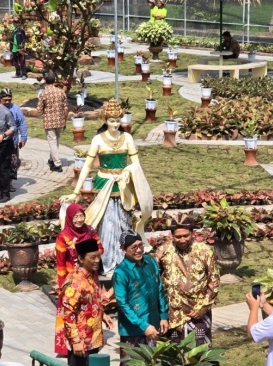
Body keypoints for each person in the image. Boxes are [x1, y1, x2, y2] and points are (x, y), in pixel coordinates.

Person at [61, 99, 153, 275]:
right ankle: (109, 263)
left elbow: (136, 166)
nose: (115, 124)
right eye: (112, 120)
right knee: (107, 225)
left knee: (124, 223)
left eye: (118, 120)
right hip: (104, 186)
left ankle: (125, 262)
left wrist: (132, 179)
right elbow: (87, 166)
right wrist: (75, 191)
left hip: (123, 187)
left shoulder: (127, 138)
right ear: (105, 120)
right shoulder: (98, 139)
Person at [156, 212, 220, 345]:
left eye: (186, 235)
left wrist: (203, 307)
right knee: (172, 356)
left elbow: (214, 281)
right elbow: (155, 279)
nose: (182, 240)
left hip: (196, 312)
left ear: (193, 233)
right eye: (178, 237)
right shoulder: (163, 251)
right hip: (172, 314)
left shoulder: (204, 251)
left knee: (198, 356)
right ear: (172, 235)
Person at [54, 203, 105, 356]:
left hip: (90, 274)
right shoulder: (63, 236)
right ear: (69, 218)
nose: (79, 219)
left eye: (81, 216)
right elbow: (60, 262)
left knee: (93, 304)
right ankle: (75, 343)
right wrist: (62, 283)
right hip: (74, 277)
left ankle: (93, 341)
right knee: (71, 311)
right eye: (75, 216)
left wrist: (91, 255)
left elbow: (100, 248)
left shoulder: (89, 230)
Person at [114, 229, 169, 366]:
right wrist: (144, 326)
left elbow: (160, 288)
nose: (139, 250)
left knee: (154, 362)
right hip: (132, 329)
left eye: (140, 245)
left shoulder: (150, 261)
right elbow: (123, 304)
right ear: (123, 249)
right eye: (134, 247)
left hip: (154, 324)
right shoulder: (121, 272)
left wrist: (163, 315)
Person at [55, 238, 114, 366]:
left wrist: (102, 315)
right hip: (81, 343)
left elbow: (90, 301)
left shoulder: (93, 275)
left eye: (98, 256)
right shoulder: (74, 282)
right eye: (93, 257)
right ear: (81, 259)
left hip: (94, 338)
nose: (97, 260)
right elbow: (67, 314)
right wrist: (75, 341)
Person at [37, 72, 68, 172]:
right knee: (56, 141)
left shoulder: (43, 94)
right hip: (60, 120)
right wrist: (65, 120)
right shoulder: (61, 92)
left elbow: (39, 110)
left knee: (52, 142)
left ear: (45, 81)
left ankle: (57, 164)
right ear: (55, 80)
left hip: (49, 121)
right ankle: (51, 159)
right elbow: (66, 108)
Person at [0, 87, 28, 188]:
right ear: (0, 99)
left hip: (13, 142)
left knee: (13, 163)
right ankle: (1, 182)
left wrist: (23, 138)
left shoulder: (16, 109)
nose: (7, 102)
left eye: (9, 100)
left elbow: (22, 124)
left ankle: (10, 183)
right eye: (5, 100)